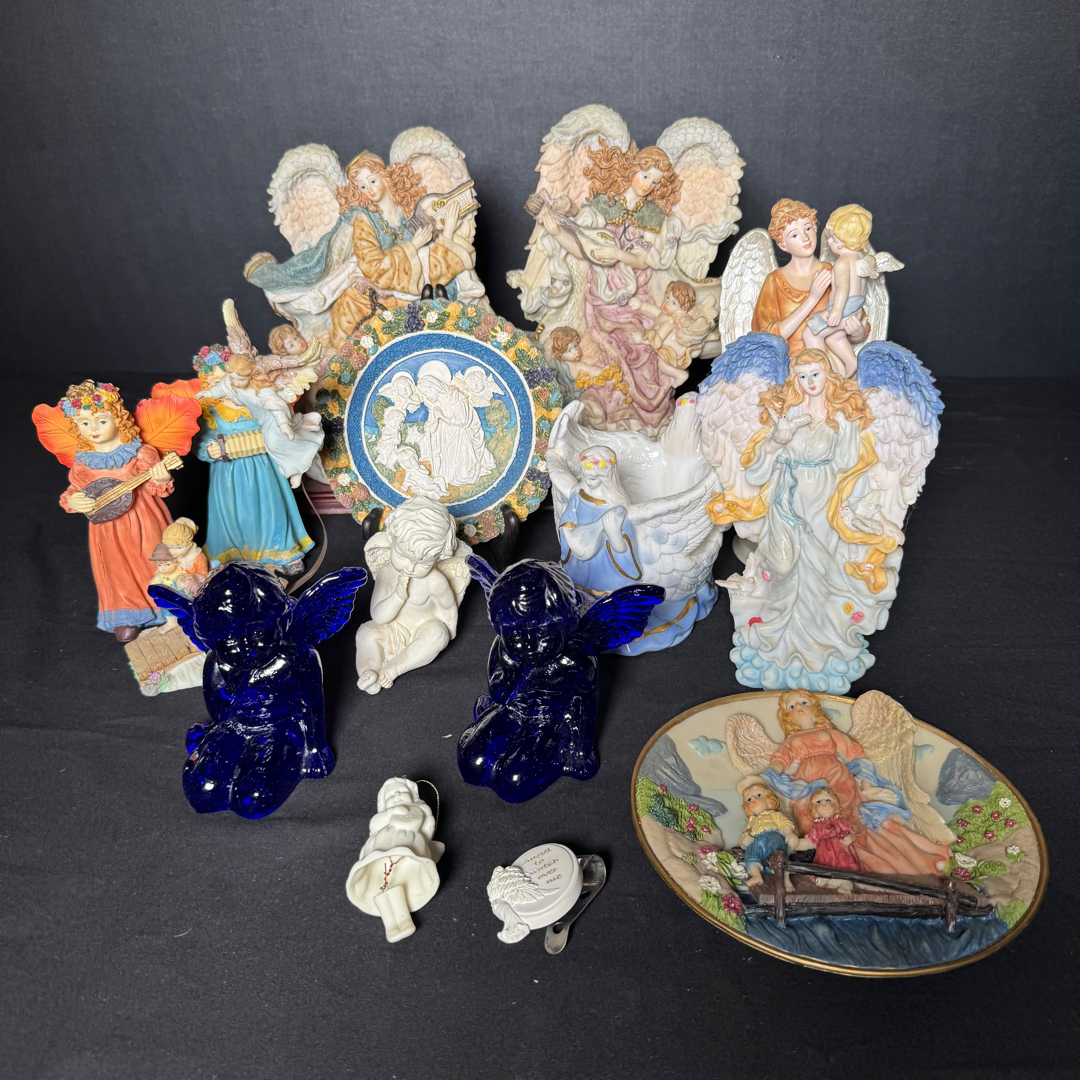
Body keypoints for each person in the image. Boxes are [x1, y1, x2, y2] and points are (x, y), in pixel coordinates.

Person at [724, 350, 894, 688]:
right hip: (786, 500)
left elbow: (849, 465)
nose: (809, 382)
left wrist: (852, 506)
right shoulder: (786, 414)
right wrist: (777, 441)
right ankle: (776, 631)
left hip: (823, 502)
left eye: (815, 374)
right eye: (802, 376)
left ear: (828, 375)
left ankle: (819, 638)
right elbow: (756, 473)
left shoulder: (841, 418)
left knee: (820, 568)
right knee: (783, 566)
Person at [537, 139, 685, 433]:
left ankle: (649, 416)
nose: (648, 185)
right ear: (631, 170)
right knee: (609, 351)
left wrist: (618, 254)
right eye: (645, 176)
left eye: (655, 182)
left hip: (635, 294)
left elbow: (644, 261)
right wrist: (556, 232)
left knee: (643, 349)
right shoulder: (602, 206)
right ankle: (612, 414)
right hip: (602, 296)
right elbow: (584, 249)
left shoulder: (653, 215)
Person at [766, 691, 951, 875]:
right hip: (806, 787)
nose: (798, 708)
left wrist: (868, 786)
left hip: (838, 780)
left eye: (803, 703)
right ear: (788, 717)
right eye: (792, 707)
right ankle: (828, 865)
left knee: (850, 823)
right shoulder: (791, 740)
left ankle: (869, 865)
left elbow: (857, 755)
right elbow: (779, 761)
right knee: (810, 825)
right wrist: (765, 776)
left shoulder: (829, 733)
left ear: (814, 707)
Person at [56, 381, 174, 641]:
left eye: (101, 420)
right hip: (107, 527)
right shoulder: (83, 463)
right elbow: (74, 492)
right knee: (116, 569)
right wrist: (75, 501)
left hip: (143, 518)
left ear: (118, 419)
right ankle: (129, 613)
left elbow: (156, 488)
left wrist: (162, 478)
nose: (93, 428)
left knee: (152, 560)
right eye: (84, 423)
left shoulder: (141, 453)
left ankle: (168, 606)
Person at [328, 152, 476, 348]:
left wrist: (446, 231)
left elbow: (429, 250)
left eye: (372, 181)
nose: (369, 190)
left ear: (383, 175)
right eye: (362, 187)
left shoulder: (408, 207)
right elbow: (374, 267)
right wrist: (412, 246)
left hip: (416, 271)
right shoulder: (365, 221)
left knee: (447, 270)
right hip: (386, 280)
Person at [355, 497, 465, 693]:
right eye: (403, 556)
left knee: (439, 634)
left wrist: (445, 633)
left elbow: (448, 608)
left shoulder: (435, 581)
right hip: (391, 628)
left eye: (424, 563)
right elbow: (379, 616)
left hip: (421, 631)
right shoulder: (387, 572)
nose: (411, 568)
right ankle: (369, 673)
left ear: (439, 558)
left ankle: (394, 668)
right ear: (391, 539)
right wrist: (398, 596)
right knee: (366, 632)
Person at [752, 199, 868, 362]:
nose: (805, 238)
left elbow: (855, 311)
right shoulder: (774, 281)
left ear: (815, 228)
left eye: (808, 228)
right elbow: (767, 337)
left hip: (829, 364)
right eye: (794, 235)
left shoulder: (833, 271)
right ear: (783, 244)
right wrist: (812, 298)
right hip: (790, 364)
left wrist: (858, 333)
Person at [345, 778, 444, 943]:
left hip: (407, 847)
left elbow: (415, 822)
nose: (397, 796)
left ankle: (404, 921)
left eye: (402, 792)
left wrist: (401, 811)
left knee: (399, 883)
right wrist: (390, 813)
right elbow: (374, 824)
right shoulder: (383, 817)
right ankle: (391, 925)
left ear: (412, 795)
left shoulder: (417, 810)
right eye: (390, 796)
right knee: (381, 886)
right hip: (381, 848)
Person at [803, 205, 874, 377]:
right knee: (834, 337)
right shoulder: (862, 259)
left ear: (843, 243)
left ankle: (823, 375)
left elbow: (843, 289)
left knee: (811, 333)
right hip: (855, 312)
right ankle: (851, 361)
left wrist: (836, 311)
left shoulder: (842, 263)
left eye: (833, 240)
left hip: (843, 312)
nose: (828, 242)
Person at [737, 776, 800, 888]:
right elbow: (746, 834)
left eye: (758, 795)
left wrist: (789, 834)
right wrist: (744, 842)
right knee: (750, 855)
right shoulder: (752, 821)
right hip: (756, 841)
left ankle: (785, 879)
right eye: (749, 799)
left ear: (769, 799)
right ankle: (756, 876)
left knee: (779, 856)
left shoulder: (774, 815)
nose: (753, 799)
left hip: (773, 837)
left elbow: (785, 824)